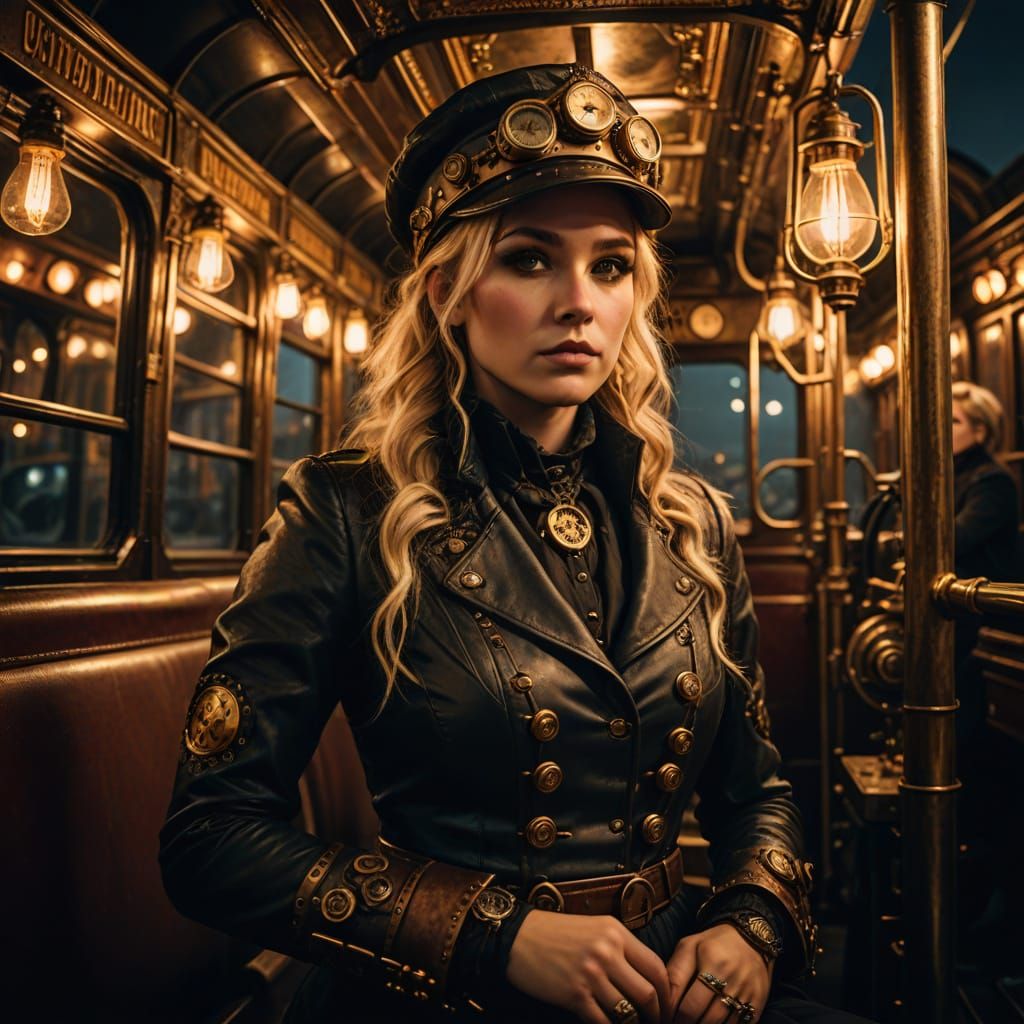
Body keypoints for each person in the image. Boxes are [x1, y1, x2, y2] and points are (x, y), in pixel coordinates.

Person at [160, 64, 874, 1024]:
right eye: (531, 260)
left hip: (666, 981)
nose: (579, 301)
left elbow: (759, 792)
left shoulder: (695, 523)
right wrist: (495, 934)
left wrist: (751, 921)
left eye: (610, 266)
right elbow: (210, 835)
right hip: (446, 992)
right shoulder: (346, 511)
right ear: (449, 292)